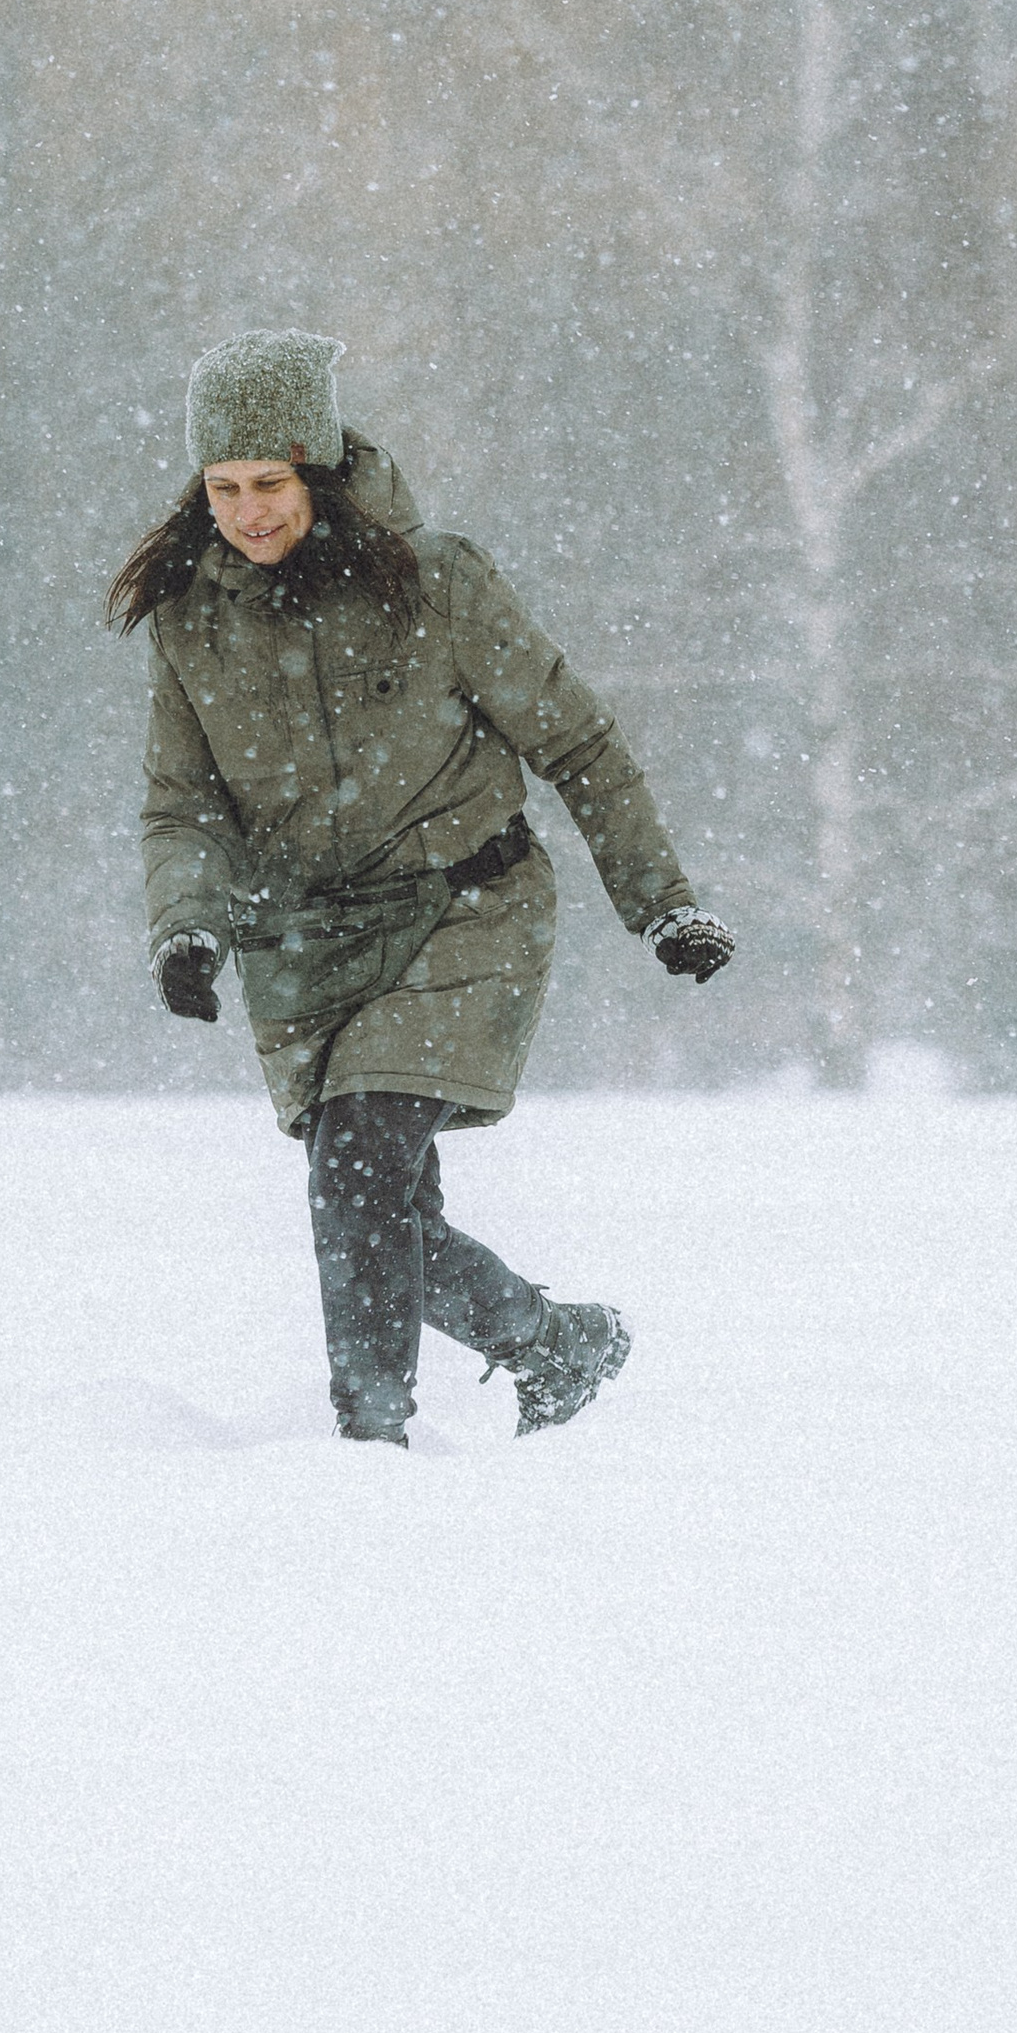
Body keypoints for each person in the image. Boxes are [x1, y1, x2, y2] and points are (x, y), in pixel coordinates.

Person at [111, 328, 732, 1447]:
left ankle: (371, 1446)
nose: (248, 512)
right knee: (378, 1206)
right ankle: (551, 1343)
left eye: (269, 482)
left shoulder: (434, 581)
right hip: (306, 944)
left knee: (356, 1165)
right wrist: (187, 928)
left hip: (466, 911)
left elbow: (578, 743)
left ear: (320, 469)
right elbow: (184, 807)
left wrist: (661, 905)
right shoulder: (189, 620)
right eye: (223, 487)